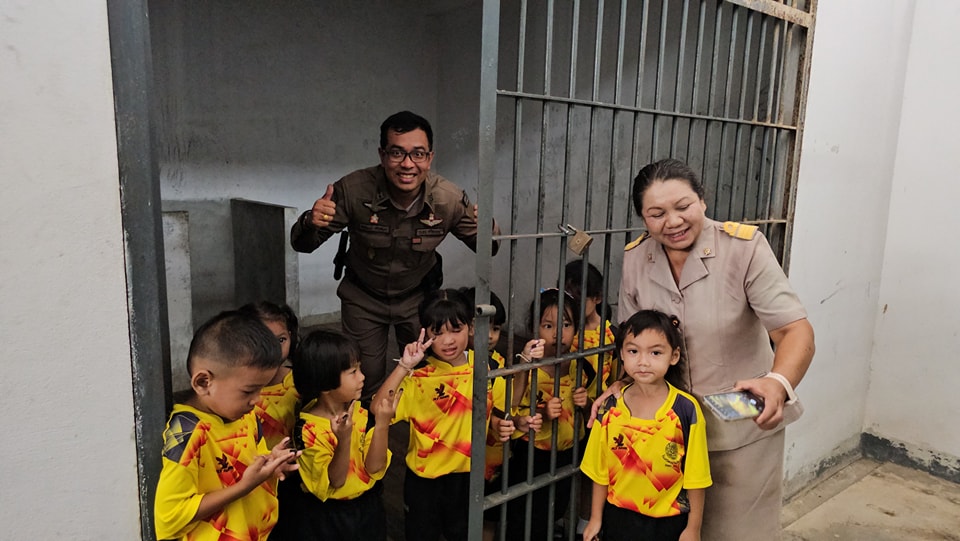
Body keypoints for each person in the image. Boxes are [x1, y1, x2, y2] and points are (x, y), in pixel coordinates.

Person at [603, 158, 815, 540]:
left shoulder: (742, 249)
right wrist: (620, 386)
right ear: (643, 218)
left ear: (702, 200)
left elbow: (794, 330)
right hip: (662, 433)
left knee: (737, 533)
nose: (673, 221)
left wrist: (778, 383)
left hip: (738, 426)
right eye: (657, 214)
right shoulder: (636, 258)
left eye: (683, 206)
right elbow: (633, 341)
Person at [290, 110, 500, 400]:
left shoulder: (448, 198)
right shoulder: (353, 190)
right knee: (363, 378)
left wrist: (490, 227)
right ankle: (370, 426)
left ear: (430, 157)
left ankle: (421, 426)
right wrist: (310, 221)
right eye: (397, 153)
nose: (408, 164)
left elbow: (488, 248)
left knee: (427, 374)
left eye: (418, 154)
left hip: (417, 298)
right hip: (363, 297)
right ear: (382, 154)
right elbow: (303, 244)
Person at [371, 289, 519, 541]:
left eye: (455, 329)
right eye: (437, 333)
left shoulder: (486, 366)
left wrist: (498, 422)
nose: (448, 340)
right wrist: (404, 366)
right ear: (425, 332)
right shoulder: (419, 376)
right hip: (424, 481)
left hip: (468, 476)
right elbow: (378, 408)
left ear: (470, 327)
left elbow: (507, 404)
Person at [154, 311, 301, 541]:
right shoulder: (186, 433)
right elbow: (170, 517)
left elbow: (252, 460)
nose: (258, 400)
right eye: (248, 391)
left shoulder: (246, 414)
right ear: (203, 382)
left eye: (261, 389)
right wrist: (243, 487)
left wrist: (270, 464)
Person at [581, 310, 712, 541]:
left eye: (655, 352)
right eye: (633, 351)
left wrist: (693, 529)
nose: (643, 362)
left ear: (674, 356)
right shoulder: (610, 407)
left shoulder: (685, 409)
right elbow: (599, 471)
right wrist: (595, 518)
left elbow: (696, 477)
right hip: (618, 517)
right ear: (622, 354)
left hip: (669, 522)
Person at [271, 330, 401, 541]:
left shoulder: (359, 412)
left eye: (360, 368)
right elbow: (337, 481)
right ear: (325, 382)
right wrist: (344, 439)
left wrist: (382, 424)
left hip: (368, 508)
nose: (362, 377)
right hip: (330, 518)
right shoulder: (307, 429)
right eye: (353, 372)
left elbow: (375, 467)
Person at [506, 288, 592, 541]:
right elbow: (510, 407)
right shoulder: (528, 368)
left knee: (556, 507)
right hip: (532, 454)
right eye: (548, 325)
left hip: (569, 451)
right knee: (525, 514)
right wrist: (542, 413)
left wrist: (587, 403)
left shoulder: (581, 364)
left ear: (576, 328)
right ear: (534, 329)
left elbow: (595, 412)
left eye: (566, 325)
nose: (558, 333)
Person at [459, 287, 544, 540]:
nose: (490, 335)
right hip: (460, 461)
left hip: (492, 457)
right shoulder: (455, 367)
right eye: (480, 326)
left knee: (488, 515)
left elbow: (510, 402)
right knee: (459, 520)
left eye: (495, 328)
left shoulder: (496, 362)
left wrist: (524, 362)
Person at [238, 301, 301, 449]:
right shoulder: (235, 393)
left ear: (290, 336)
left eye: (281, 340)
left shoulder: (302, 381)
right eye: (264, 342)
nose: (275, 350)